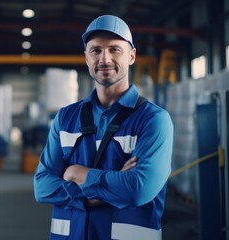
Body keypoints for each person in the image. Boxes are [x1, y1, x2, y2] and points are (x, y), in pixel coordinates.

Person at [34, 15, 174, 240]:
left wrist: (76, 173)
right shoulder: (66, 117)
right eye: (96, 50)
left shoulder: (153, 120)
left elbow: (137, 189)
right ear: (86, 58)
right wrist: (110, 185)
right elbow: (42, 187)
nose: (104, 59)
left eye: (114, 50)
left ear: (132, 56)